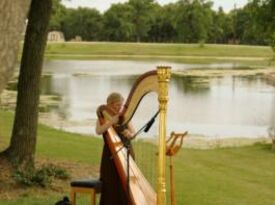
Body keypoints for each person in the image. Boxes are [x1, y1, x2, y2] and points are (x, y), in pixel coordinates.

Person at [95, 92, 136, 205]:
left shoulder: (125, 117)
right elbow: (98, 131)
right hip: (109, 154)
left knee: (125, 184)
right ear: (109, 104)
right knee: (110, 183)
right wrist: (111, 122)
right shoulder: (102, 117)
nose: (119, 108)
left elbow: (133, 133)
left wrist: (130, 134)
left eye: (120, 105)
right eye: (116, 105)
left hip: (126, 152)